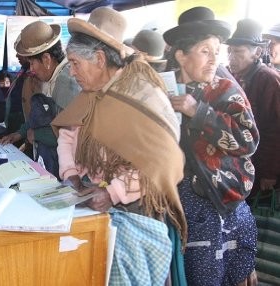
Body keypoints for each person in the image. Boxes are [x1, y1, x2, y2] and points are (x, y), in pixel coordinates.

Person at [51, 7, 187, 284]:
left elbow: (161, 161)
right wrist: (71, 175)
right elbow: (68, 135)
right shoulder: (91, 94)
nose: (72, 72)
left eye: (76, 63)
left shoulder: (142, 92)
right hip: (95, 198)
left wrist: (113, 192)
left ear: (99, 59)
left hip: (137, 210)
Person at [163, 7, 259, 284]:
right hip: (181, 209)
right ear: (181, 55)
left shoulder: (225, 89)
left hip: (222, 204)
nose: (214, 58)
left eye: (217, 50)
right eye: (205, 50)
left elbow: (249, 140)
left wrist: (200, 112)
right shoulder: (162, 89)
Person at [2, 21, 80, 178]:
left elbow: (69, 135)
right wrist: (22, 132)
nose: (30, 69)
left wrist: (36, 135)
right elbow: (44, 118)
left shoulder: (66, 82)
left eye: (32, 63)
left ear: (46, 59)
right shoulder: (52, 77)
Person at [226, 19, 280, 200]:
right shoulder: (233, 77)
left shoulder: (268, 80)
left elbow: (275, 130)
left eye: (238, 52)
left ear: (257, 52)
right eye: (230, 51)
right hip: (239, 164)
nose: (232, 57)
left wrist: (269, 172)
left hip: (260, 166)